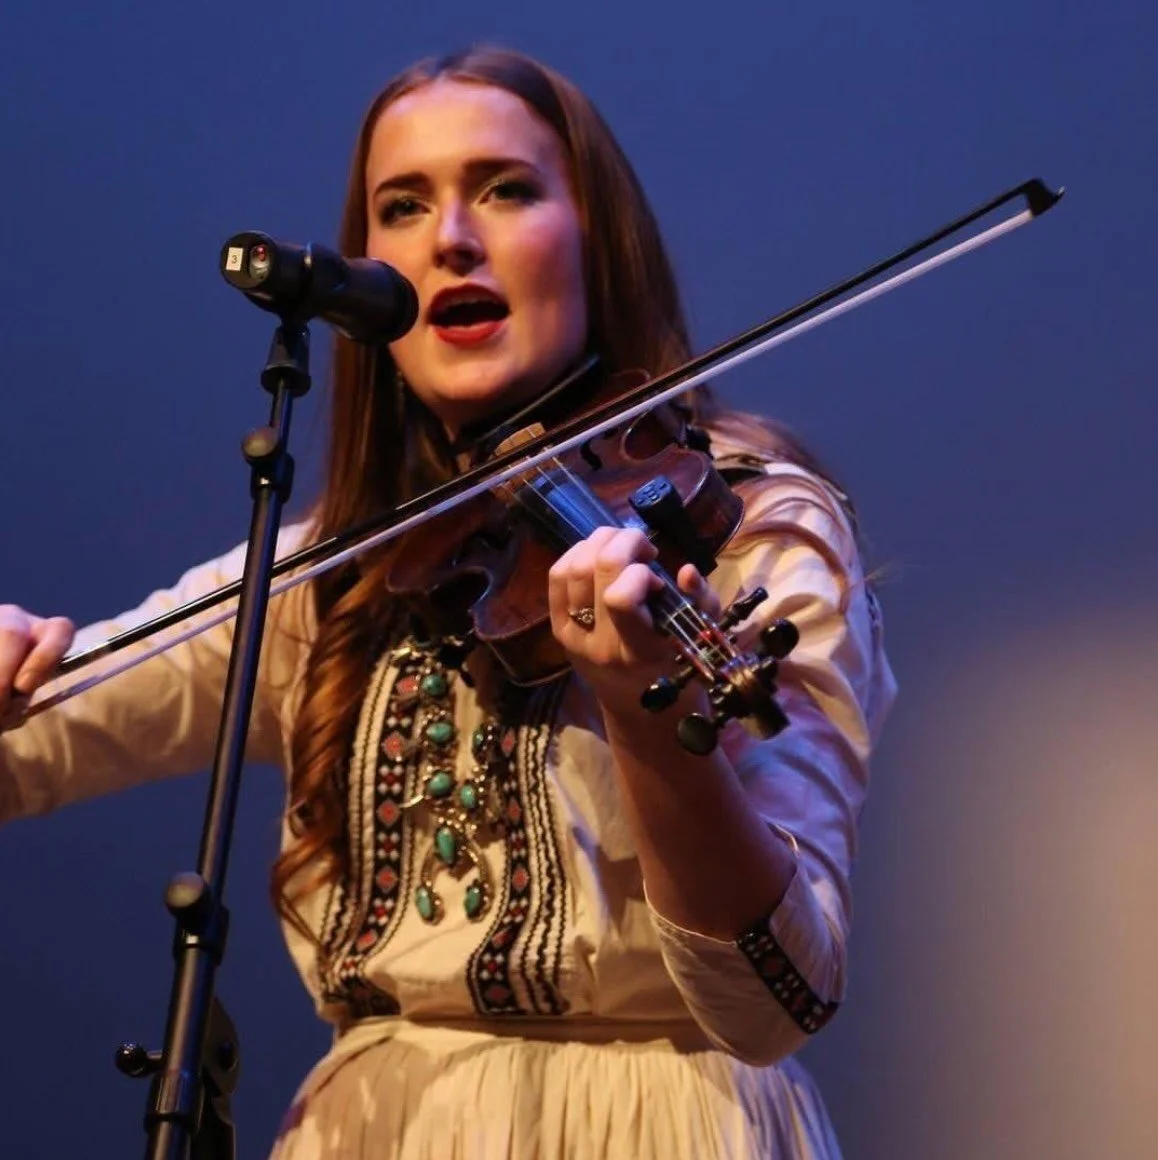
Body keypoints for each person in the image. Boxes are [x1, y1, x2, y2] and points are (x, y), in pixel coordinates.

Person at [0, 46, 896, 1159]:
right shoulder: (348, 567)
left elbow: (778, 998)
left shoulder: (749, 526)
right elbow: (28, 753)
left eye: (507, 188)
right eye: (403, 205)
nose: (451, 237)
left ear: (598, 240)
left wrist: (652, 727)